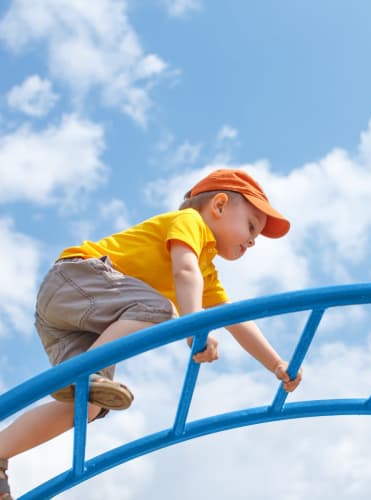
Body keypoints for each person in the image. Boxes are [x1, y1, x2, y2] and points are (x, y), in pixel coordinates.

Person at [0, 168, 302, 499]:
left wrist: (276, 363)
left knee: (88, 404)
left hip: (73, 318)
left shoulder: (207, 272)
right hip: (75, 281)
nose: (253, 240)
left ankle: (2, 452)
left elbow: (236, 320)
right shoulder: (190, 224)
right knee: (160, 310)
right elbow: (184, 273)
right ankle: (87, 372)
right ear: (218, 205)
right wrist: (194, 327)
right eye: (251, 226)